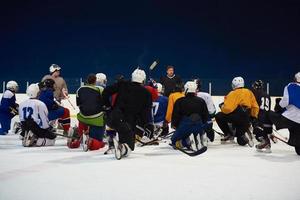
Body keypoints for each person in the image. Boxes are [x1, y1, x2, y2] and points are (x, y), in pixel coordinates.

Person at [102, 68, 152, 159]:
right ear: (143, 79)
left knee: (117, 127)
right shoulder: (146, 93)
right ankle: (122, 147)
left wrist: (107, 106)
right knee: (130, 147)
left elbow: (106, 91)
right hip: (127, 123)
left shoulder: (123, 84)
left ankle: (113, 143)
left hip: (112, 117)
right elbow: (145, 113)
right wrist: (147, 126)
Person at [215, 77, 259, 146]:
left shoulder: (233, 93)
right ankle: (243, 133)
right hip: (247, 117)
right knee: (240, 141)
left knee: (218, 116)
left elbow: (228, 109)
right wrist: (253, 117)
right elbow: (255, 107)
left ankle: (228, 134)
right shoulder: (249, 92)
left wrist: (222, 107)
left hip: (237, 117)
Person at [68, 74, 106, 151]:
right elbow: (105, 104)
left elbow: (78, 105)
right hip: (97, 120)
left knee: (82, 117)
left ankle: (77, 139)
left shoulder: (79, 89)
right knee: (99, 143)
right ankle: (92, 141)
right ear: (95, 81)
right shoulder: (100, 89)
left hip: (83, 118)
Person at [171, 81, 209, 150]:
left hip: (185, 127)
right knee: (196, 130)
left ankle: (187, 142)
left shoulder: (179, 101)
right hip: (199, 126)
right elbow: (205, 117)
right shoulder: (201, 101)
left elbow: (175, 117)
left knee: (174, 141)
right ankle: (199, 137)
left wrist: (176, 126)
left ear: (186, 89)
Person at [268, 72, 300, 155]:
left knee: (267, 114)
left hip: (290, 118)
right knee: (297, 140)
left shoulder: (291, 86)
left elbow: (285, 101)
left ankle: (265, 137)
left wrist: (279, 105)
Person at [250, 80, 272, 152]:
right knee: (263, 129)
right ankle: (267, 142)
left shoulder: (255, 93)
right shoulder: (267, 94)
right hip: (268, 118)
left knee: (257, 130)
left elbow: (253, 106)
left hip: (260, 117)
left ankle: (264, 141)